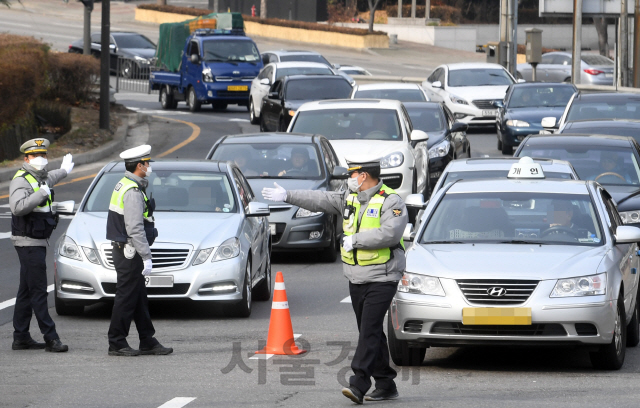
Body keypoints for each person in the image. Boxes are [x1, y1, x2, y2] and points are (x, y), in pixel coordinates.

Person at [262, 160, 408, 403]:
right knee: (368, 330)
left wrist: (357, 240)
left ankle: (359, 383)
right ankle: (386, 383)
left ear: (363, 176)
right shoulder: (349, 196)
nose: (348, 178)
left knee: (369, 330)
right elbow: (319, 199)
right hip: (356, 276)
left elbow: (391, 233)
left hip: (383, 276)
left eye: (352, 174)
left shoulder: (391, 200)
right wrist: (287, 195)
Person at [105, 145, 172, 357]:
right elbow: (134, 228)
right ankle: (116, 342)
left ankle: (147, 339)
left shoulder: (127, 184)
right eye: (147, 163)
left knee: (138, 297)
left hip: (127, 249)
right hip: (130, 251)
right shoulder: (132, 191)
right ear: (139, 166)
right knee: (126, 297)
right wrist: (147, 256)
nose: (149, 166)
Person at [10, 138, 73, 352]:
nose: (41, 159)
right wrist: (41, 194)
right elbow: (18, 207)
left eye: (44, 155)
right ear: (26, 158)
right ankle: (51, 337)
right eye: (36, 155)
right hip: (27, 242)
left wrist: (64, 171)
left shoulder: (38, 177)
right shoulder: (21, 180)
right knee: (38, 291)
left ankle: (21, 337)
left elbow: (49, 179)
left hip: (35, 240)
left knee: (26, 291)